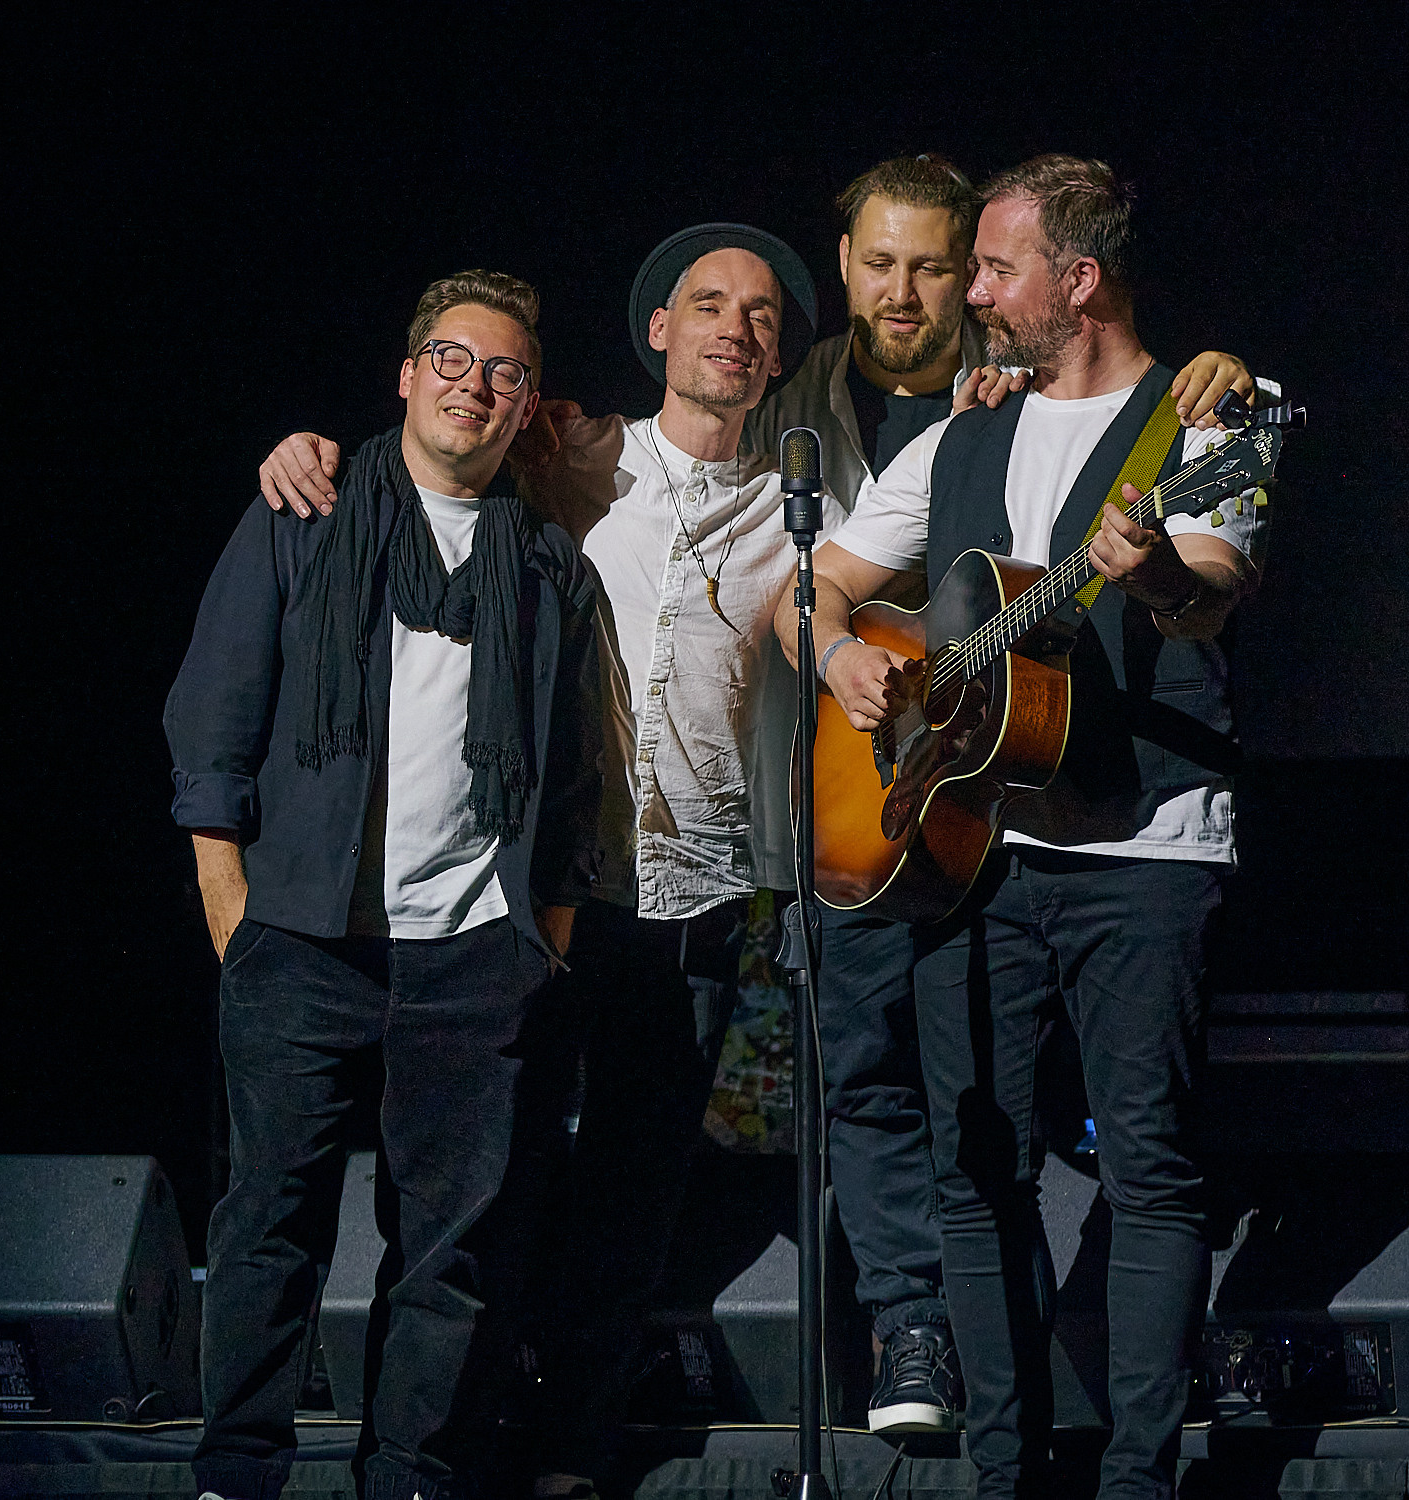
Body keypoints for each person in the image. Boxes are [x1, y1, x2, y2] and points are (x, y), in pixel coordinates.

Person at [257, 222, 836, 1494]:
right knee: (492, 1188)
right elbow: (424, 455)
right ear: (658, 331)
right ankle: (455, 1449)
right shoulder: (570, 452)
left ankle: (571, 1452)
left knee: (632, 1195)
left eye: (758, 316)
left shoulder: (808, 515)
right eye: (708, 304)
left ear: (778, 355)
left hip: (691, 899)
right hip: (534, 889)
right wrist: (305, 449)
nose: (734, 329)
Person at [777, 156, 1270, 1499]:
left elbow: (1206, 593)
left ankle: (1134, 1479)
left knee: (1148, 1165)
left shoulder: (1214, 415)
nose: (973, 295)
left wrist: (1150, 566)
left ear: (1080, 280)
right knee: (973, 1167)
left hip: (1145, 846)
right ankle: (1002, 1476)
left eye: (994, 269)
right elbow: (809, 592)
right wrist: (841, 657)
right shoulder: (959, 435)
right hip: (974, 851)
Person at [164, 269, 602, 1500]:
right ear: (407, 377)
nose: (475, 385)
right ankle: (236, 1471)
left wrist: (540, 939)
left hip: (470, 957)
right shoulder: (304, 512)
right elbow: (212, 719)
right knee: (269, 1227)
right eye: (452, 359)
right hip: (300, 942)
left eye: (505, 372)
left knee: (447, 1255)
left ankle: (411, 1475)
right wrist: (236, 921)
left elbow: (573, 778)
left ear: (527, 408)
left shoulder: (545, 568)